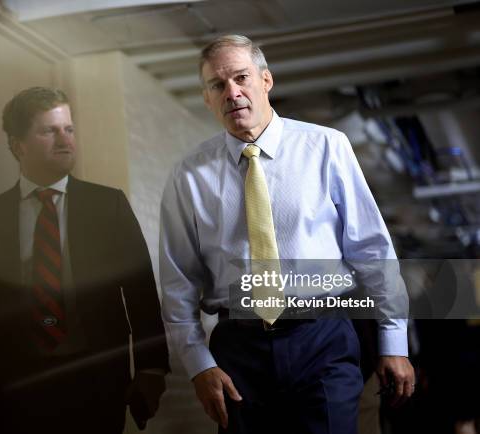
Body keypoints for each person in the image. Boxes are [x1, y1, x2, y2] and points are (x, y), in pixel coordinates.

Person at [159, 35, 415, 433]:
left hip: (323, 338)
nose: (232, 92)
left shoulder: (327, 146)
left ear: (266, 80)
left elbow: (371, 251)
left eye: (241, 77)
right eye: (217, 85)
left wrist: (393, 342)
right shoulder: (188, 176)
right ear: (207, 98)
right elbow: (178, 283)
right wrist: (198, 365)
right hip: (237, 351)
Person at [0, 87, 169, 433]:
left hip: (97, 375)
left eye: (69, 129)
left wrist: (151, 369)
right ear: (19, 145)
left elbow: (140, 291)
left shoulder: (107, 205)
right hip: (20, 380)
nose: (65, 140)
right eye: (49, 131)